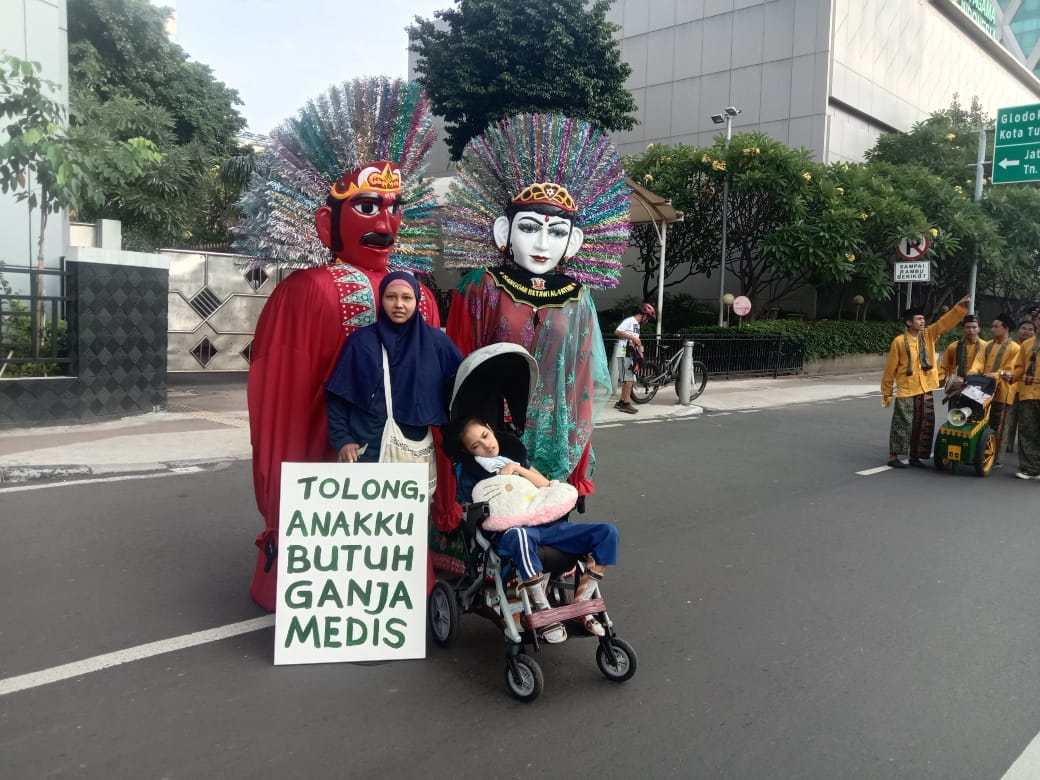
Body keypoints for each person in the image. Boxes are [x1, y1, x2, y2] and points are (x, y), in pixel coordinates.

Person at [235, 78, 442, 611]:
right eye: (369, 207)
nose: (388, 221)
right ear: (328, 219)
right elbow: (280, 398)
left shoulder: (419, 294)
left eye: (394, 207)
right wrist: (286, 492)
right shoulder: (304, 292)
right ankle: (317, 589)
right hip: (332, 455)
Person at [437, 114, 630, 531]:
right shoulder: (482, 286)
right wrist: (468, 430)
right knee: (498, 507)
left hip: (554, 428)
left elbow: (581, 378)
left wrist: (578, 446)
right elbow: (460, 364)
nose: (543, 244)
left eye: (557, 231)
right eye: (529, 227)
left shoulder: (577, 297)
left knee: (545, 507)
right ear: (504, 231)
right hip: (491, 425)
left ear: (573, 241)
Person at [455, 418, 619, 642]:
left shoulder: (514, 453)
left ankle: (582, 602)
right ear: (469, 451)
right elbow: (471, 512)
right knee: (519, 534)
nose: (486, 445)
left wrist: (516, 468)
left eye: (485, 436)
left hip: (546, 525)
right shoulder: (471, 474)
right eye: (476, 446)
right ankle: (542, 609)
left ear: (490, 429)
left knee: (606, 532)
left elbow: (545, 485)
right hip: (512, 532)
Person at [325, 272, 461, 478]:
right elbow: (337, 397)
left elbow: (458, 395)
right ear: (381, 300)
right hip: (366, 449)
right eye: (391, 297)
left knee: (411, 509)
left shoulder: (437, 345)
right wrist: (342, 439)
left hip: (414, 451)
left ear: (417, 301)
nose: (398, 304)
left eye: (406, 298)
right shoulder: (361, 343)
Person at [881, 297, 970, 468]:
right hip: (907, 389)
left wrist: (959, 308)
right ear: (909, 322)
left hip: (926, 387)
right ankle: (893, 456)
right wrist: (886, 390)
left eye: (923, 319)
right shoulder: (899, 341)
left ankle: (915, 456)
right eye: (918, 319)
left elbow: (943, 323)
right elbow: (890, 368)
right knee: (903, 423)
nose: (922, 321)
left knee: (924, 423)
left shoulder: (928, 335)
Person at [968, 313, 1020, 469]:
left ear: (1006, 329)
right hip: (984, 390)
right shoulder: (987, 345)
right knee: (981, 422)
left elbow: (1011, 369)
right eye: (992, 326)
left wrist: (996, 375)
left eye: (996, 326)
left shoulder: (1015, 348)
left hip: (1003, 392)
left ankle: (997, 458)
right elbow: (979, 361)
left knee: (1000, 425)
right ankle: (979, 453)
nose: (992, 329)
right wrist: (973, 371)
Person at [1011, 305, 1040, 479]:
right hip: (1028, 392)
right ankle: (1030, 468)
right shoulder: (1027, 344)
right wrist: (1011, 376)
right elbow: (1019, 367)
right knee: (1028, 431)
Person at [613, 303, 656, 414]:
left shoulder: (637, 325)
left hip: (630, 353)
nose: (647, 321)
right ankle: (626, 404)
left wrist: (640, 350)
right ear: (644, 315)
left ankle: (621, 402)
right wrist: (632, 337)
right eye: (648, 318)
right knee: (629, 379)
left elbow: (636, 339)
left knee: (628, 379)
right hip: (624, 352)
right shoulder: (629, 321)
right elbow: (617, 332)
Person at [1006, 318, 1037, 453]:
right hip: (1012, 389)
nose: (1026, 332)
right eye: (1024, 328)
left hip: (1031, 391)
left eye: (1030, 330)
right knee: (1010, 420)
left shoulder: (1032, 346)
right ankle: (1006, 446)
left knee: (1029, 425)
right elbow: (1016, 368)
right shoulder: (1011, 346)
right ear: (1018, 331)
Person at [938, 314, 984, 386]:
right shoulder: (953, 346)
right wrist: (942, 380)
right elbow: (944, 367)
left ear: (979, 329)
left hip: (978, 385)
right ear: (963, 329)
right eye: (967, 327)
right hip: (957, 384)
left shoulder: (986, 347)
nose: (971, 330)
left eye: (974, 327)